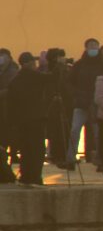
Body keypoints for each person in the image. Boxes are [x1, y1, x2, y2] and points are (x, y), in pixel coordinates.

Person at [7, 52, 54, 185]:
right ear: (28, 64)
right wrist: (54, 64)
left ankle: (26, 176)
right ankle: (35, 177)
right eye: (33, 62)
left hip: (20, 121)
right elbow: (53, 78)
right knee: (37, 149)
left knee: (25, 149)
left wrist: (12, 122)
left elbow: (11, 104)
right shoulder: (34, 76)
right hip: (35, 119)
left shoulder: (16, 80)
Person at [66, 38, 103, 170]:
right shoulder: (79, 65)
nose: (93, 48)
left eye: (95, 46)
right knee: (74, 130)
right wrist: (76, 94)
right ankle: (70, 159)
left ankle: (101, 160)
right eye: (91, 46)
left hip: (98, 104)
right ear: (86, 48)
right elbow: (69, 82)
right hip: (81, 103)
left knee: (98, 133)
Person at [42, 48, 73, 169]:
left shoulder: (65, 70)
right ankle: (57, 156)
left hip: (66, 103)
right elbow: (53, 85)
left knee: (64, 131)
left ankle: (63, 156)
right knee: (56, 132)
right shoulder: (50, 71)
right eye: (59, 56)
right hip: (53, 105)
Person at [0, 47, 20, 181]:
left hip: (9, 109)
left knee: (9, 134)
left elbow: (12, 89)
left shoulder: (13, 72)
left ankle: (12, 155)